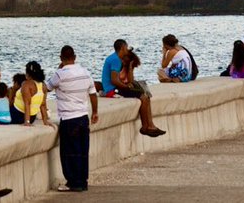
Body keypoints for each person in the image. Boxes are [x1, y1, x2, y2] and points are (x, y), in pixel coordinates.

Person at [47, 45, 99, 193]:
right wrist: (95, 112)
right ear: (75, 57)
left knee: (69, 152)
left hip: (69, 118)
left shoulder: (60, 74)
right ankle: (82, 181)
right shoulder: (85, 72)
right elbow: (93, 94)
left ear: (61, 58)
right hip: (83, 117)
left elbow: (47, 88)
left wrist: (60, 68)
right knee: (83, 151)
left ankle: (73, 182)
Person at [102, 39, 165, 137]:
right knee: (143, 97)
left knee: (146, 97)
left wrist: (130, 68)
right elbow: (114, 80)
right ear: (122, 48)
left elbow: (130, 80)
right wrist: (126, 87)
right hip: (113, 90)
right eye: (126, 48)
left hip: (116, 88)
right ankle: (146, 127)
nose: (127, 50)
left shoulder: (116, 58)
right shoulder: (115, 60)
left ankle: (149, 126)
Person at [12, 61, 51, 127]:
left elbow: (27, 104)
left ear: (28, 73)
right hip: (32, 117)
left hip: (18, 115)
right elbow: (43, 104)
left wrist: (27, 122)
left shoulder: (26, 84)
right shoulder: (43, 85)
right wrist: (45, 121)